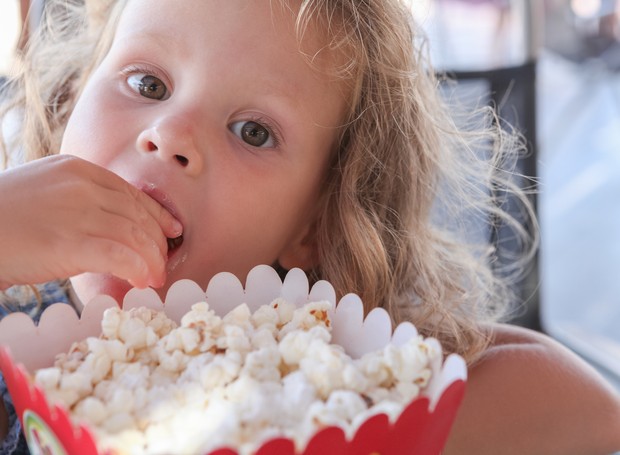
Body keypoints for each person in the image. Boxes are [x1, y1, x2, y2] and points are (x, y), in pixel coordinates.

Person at [0, 0, 619, 454]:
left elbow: (590, 412)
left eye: (253, 131)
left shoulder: (329, 372)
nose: (172, 135)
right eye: (147, 83)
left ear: (314, 226)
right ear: (70, 103)